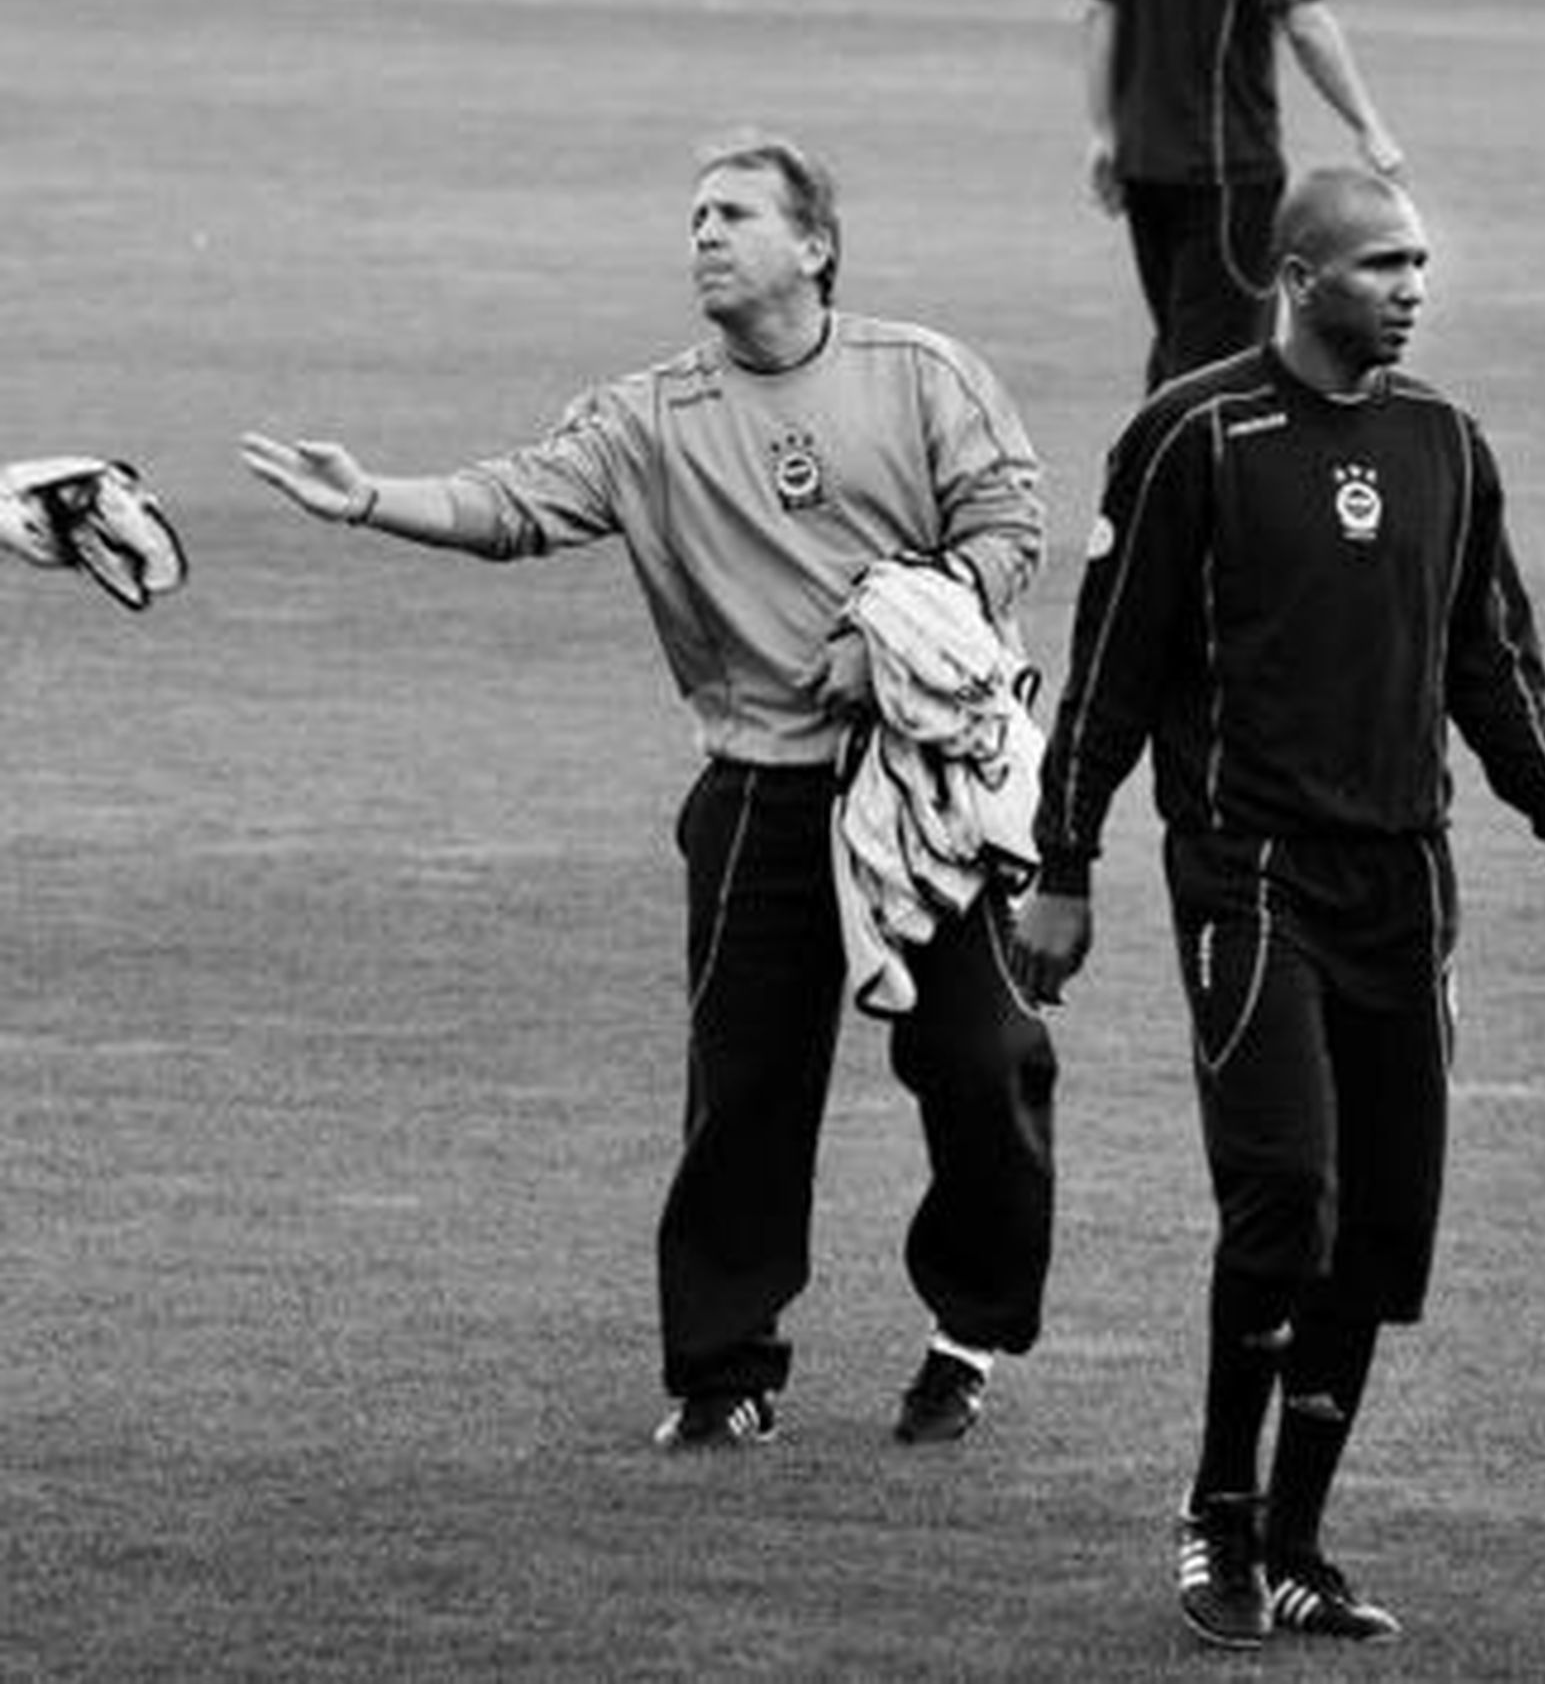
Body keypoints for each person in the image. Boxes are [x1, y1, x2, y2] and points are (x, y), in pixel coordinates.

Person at [240, 133, 1058, 1451]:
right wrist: (369, 498)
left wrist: (900, 636)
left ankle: (967, 1331)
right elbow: (516, 502)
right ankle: (726, 1371)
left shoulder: (923, 375)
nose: (704, 237)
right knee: (744, 1091)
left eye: (734, 214)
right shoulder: (648, 415)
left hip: (928, 788)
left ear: (815, 243)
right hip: (763, 790)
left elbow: (1008, 525)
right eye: (693, 218)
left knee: (984, 1064)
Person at [1010, 166, 1545, 1648]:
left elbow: (1490, 665)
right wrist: (1063, 869)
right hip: (1250, 877)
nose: (1412, 286)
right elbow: (1115, 673)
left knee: (1383, 1231)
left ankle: (1297, 1538)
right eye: (1381, 263)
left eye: (1419, 263)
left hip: (1405, 884)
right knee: (1289, 1197)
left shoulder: (1447, 446)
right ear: (1295, 275)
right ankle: (1215, 1516)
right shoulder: (1195, 434)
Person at [1081, 0, 1405, 392]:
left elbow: (1102, 9)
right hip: (1225, 174)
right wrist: (1369, 125)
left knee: (1179, 346)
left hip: (1146, 164)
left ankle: (1149, 458)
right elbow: (1304, 22)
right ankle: (1180, 458)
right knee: (1218, 369)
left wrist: (1104, 130)